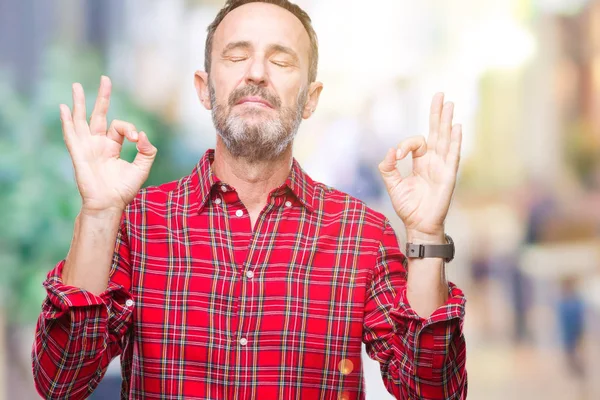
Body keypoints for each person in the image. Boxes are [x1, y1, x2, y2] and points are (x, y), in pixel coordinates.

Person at [31, 1, 467, 399]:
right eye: (237, 56)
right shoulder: (142, 222)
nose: (256, 73)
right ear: (204, 88)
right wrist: (101, 212)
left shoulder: (361, 235)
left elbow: (432, 390)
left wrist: (427, 234)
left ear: (310, 99)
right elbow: (62, 379)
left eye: (280, 59)